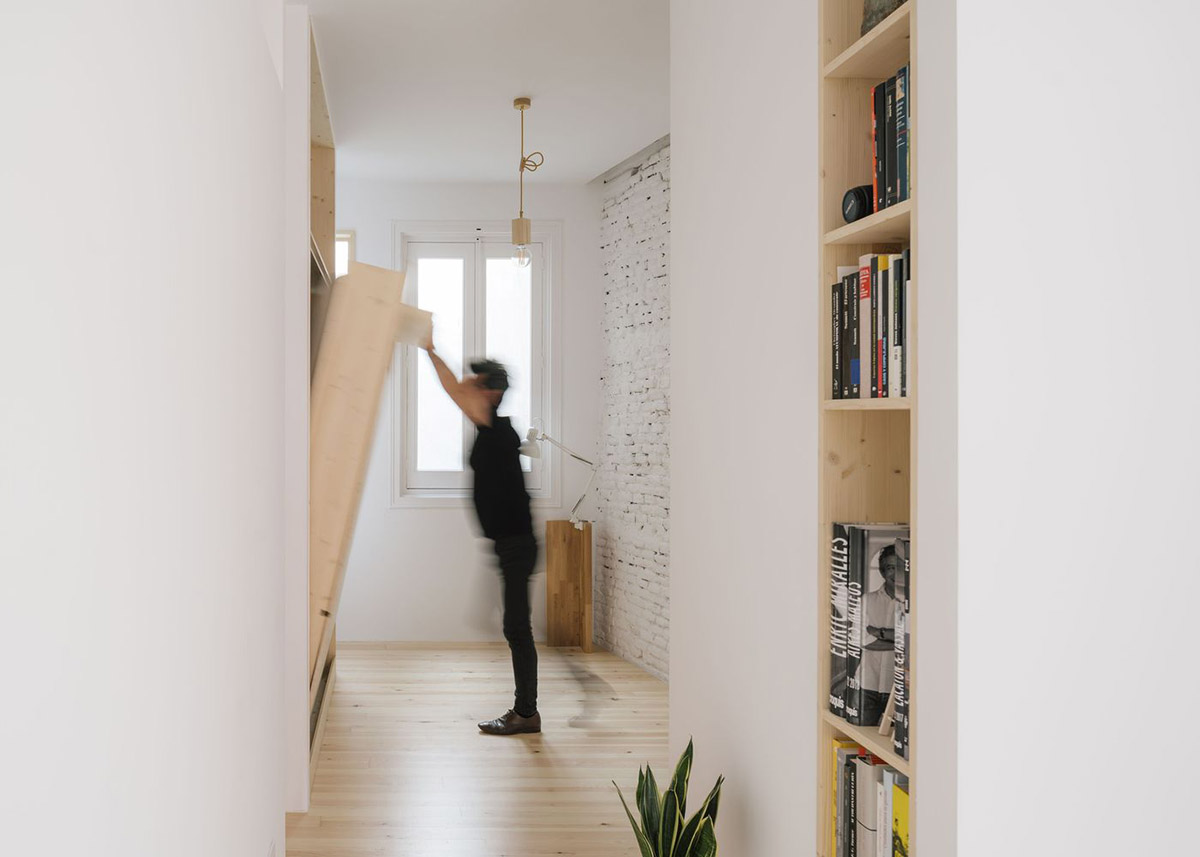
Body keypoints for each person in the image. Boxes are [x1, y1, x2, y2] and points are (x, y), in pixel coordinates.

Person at [421, 336, 541, 735]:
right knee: (512, 626)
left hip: (516, 545)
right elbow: (456, 388)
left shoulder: (493, 426)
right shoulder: (492, 425)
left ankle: (526, 714)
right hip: (509, 544)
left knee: (516, 629)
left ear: (490, 392)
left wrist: (429, 348)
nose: (466, 388)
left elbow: (452, 388)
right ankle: (526, 711)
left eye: (475, 383)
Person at [860, 543, 901, 725]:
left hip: (897, 688)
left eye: (899, 567)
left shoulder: (914, 603)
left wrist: (879, 633)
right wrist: (901, 643)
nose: (895, 573)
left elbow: (918, 640)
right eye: (890, 568)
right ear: (883, 573)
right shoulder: (867, 600)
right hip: (867, 685)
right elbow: (862, 640)